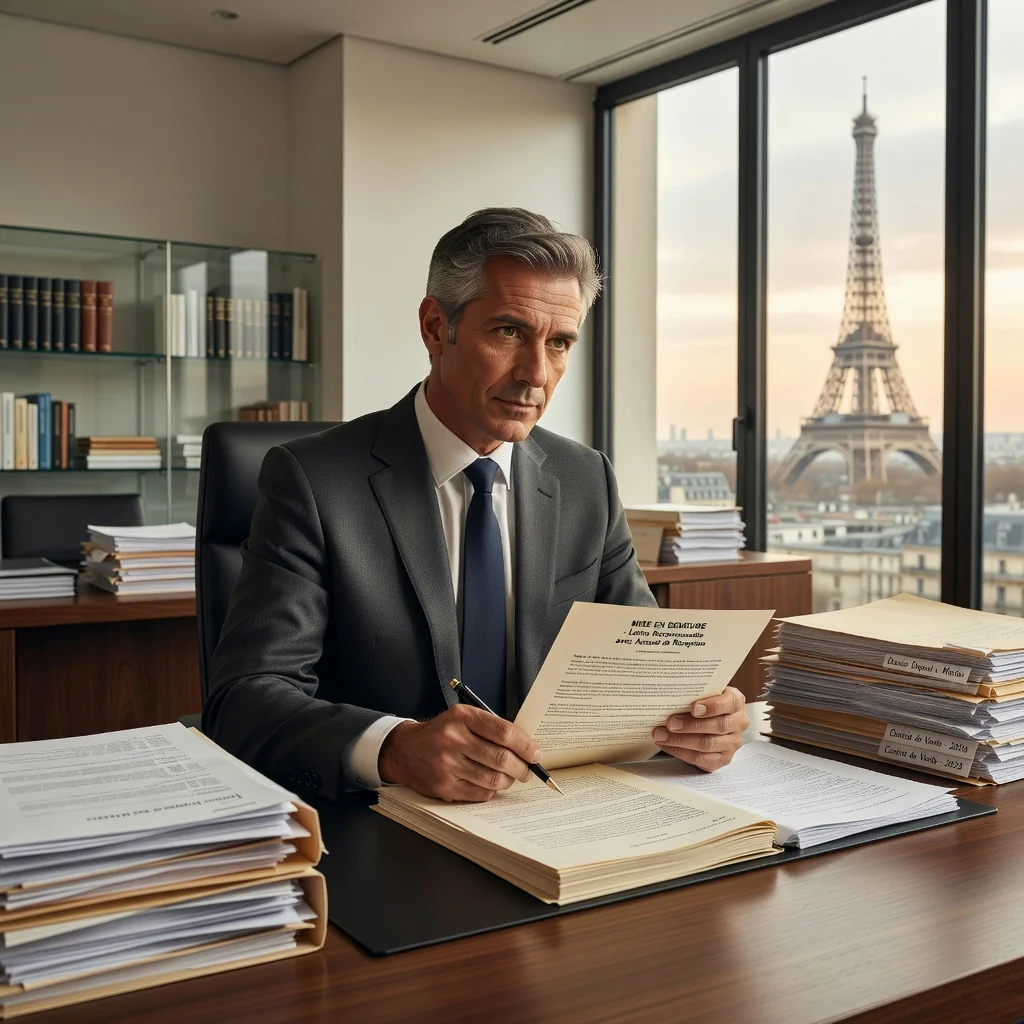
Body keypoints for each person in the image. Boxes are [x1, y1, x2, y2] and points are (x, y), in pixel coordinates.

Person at [203, 208, 748, 803]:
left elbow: (648, 669)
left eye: (560, 342)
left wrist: (700, 720)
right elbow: (245, 699)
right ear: (436, 328)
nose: (535, 374)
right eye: (509, 332)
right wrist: (395, 748)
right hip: (381, 828)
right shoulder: (312, 479)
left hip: (554, 816)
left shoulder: (585, 477)